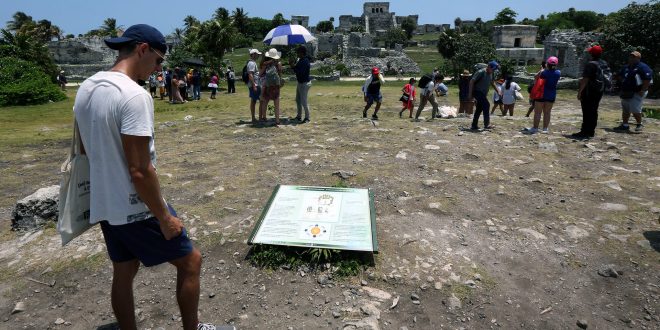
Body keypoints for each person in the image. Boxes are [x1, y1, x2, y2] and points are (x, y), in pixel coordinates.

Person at [73, 24, 220, 330]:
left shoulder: (86, 88)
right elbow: (140, 170)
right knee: (191, 261)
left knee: (124, 270)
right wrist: (164, 218)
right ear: (142, 49)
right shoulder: (133, 96)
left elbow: (86, 149)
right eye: (158, 61)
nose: (158, 69)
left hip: (105, 202)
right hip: (135, 205)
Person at [572, 45, 609, 139]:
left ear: (591, 54)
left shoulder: (590, 64)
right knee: (594, 110)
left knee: (587, 111)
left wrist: (580, 91)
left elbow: (585, 79)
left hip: (589, 91)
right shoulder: (603, 63)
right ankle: (591, 131)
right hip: (599, 90)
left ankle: (584, 131)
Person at [613, 51, 653, 133]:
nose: (631, 58)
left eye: (633, 57)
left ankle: (639, 124)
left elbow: (647, 79)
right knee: (626, 109)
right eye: (630, 56)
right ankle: (625, 125)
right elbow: (619, 75)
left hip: (637, 91)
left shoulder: (643, 67)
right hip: (626, 91)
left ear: (638, 58)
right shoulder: (626, 67)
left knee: (635, 109)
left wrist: (643, 90)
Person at [525, 56, 561, 134]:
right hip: (551, 94)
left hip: (541, 94)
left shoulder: (543, 72)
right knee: (547, 112)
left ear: (547, 64)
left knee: (538, 112)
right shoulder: (558, 73)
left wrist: (542, 69)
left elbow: (536, 77)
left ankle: (535, 128)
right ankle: (545, 128)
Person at [468, 61, 501, 130]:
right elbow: (472, 82)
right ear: (489, 67)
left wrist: (498, 91)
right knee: (486, 105)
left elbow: (492, 82)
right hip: (477, 92)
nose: (493, 71)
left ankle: (474, 125)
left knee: (479, 108)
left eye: (494, 70)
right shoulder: (481, 72)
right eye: (493, 69)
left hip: (483, 93)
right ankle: (487, 124)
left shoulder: (491, 73)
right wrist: (470, 94)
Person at [259, 48, 283, 125]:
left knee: (265, 101)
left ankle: (264, 117)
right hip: (276, 85)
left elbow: (260, 74)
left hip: (267, 85)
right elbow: (280, 74)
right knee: (276, 103)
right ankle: (277, 120)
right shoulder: (278, 63)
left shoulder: (265, 63)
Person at [291, 45, 311, 123]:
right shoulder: (301, 60)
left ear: (301, 53)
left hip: (304, 83)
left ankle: (307, 117)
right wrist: (293, 66)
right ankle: (299, 116)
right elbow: (297, 69)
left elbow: (300, 72)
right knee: (298, 100)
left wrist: (293, 66)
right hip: (301, 82)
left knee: (303, 101)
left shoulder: (305, 61)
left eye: (298, 52)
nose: (297, 54)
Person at [246, 48, 262, 123]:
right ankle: (255, 118)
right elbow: (250, 74)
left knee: (254, 100)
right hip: (254, 84)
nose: (258, 56)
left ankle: (255, 117)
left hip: (254, 84)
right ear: (253, 54)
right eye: (257, 54)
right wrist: (254, 85)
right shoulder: (252, 63)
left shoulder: (252, 62)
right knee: (256, 100)